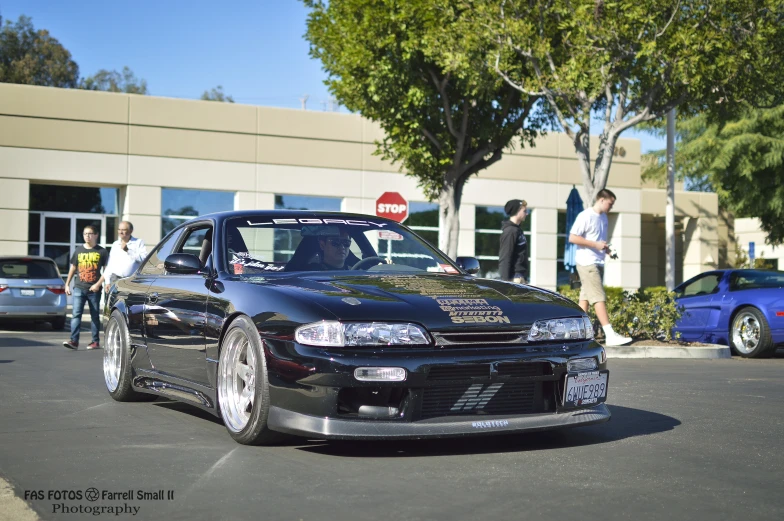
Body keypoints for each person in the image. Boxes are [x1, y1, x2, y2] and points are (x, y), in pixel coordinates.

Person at [568, 189, 632, 347]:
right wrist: (595, 245)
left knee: (585, 300)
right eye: (610, 203)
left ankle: (575, 334)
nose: (611, 207)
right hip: (587, 262)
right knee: (598, 297)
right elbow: (573, 237)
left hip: (598, 262)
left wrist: (606, 249)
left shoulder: (603, 217)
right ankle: (609, 334)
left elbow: (598, 241)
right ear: (602, 200)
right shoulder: (585, 216)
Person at [63, 225, 109, 350]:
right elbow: (73, 268)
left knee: (95, 315)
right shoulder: (78, 250)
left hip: (94, 289)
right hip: (79, 287)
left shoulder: (102, 251)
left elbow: (107, 271)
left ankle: (95, 341)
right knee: (76, 315)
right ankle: (74, 341)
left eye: (90, 233)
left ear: (96, 235)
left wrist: (98, 284)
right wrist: (67, 284)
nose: (87, 236)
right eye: (85, 234)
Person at [104, 221, 146, 293]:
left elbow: (144, 259)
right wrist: (107, 281)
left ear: (130, 231)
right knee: (114, 302)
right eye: (119, 229)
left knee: (130, 302)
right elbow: (110, 264)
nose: (120, 232)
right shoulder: (115, 244)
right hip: (115, 279)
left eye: (123, 230)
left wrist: (128, 251)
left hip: (131, 280)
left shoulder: (138, 242)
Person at [499, 199, 529, 284]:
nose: (527, 213)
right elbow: (505, 257)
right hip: (515, 278)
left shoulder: (517, 230)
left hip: (520, 277)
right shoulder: (510, 231)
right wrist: (504, 283)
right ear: (517, 211)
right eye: (524, 211)